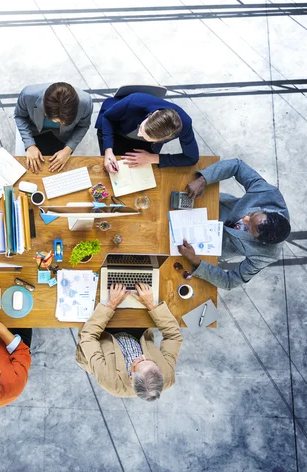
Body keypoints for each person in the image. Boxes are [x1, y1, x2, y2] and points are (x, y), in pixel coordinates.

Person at [177, 158, 291, 290]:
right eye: (253, 214)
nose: (245, 219)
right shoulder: (269, 194)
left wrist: (196, 260)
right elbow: (237, 166)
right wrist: (203, 180)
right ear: (267, 210)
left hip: (207, 247)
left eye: (247, 228)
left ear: (261, 242)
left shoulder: (267, 255)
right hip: (212, 208)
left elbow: (230, 281)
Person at [75, 283, 182, 401]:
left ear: (131, 378)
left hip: (101, 337)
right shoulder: (167, 375)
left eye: (139, 362)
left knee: (97, 294)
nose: (142, 356)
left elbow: (88, 337)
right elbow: (173, 337)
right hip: (135, 336)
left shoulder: (109, 380)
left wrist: (111, 304)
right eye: (151, 361)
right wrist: (151, 304)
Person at [95, 92, 199, 173]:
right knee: (110, 166)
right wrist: (108, 151)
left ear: (166, 138)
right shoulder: (135, 100)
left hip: (145, 146)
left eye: (145, 136)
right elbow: (107, 117)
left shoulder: (184, 125)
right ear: (153, 114)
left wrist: (153, 158)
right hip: (117, 129)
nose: (139, 134)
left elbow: (191, 158)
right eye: (141, 129)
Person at [15, 82, 93, 173]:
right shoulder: (28, 95)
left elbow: (83, 126)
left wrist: (68, 149)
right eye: (55, 120)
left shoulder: (86, 102)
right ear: (44, 109)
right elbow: (20, 116)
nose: (57, 123)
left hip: (63, 136)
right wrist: (30, 145)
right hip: (34, 130)